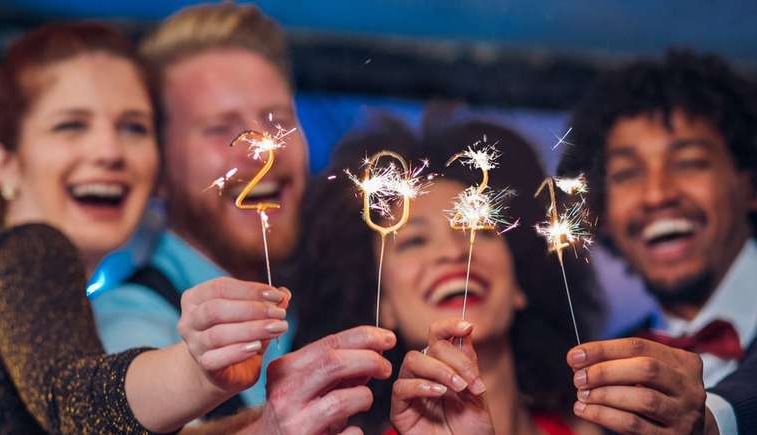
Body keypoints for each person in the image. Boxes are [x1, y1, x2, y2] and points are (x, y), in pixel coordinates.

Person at [0, 22, 292, 433]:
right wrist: (197, 369)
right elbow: (74, 400)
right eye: (70, 125)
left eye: (134, 127)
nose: (109, 152)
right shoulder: (30, 248)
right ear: (3, 162)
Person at [292, 112, 605, 434]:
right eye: (414, 241)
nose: (454, 252)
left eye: (477, 229)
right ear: (382, 305)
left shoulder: (594, 426)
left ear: (519, 284)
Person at [90, 2, 306, 411]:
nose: (262, 152)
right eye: (221, 128)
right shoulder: (130, 324)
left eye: (277, 119)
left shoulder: (333, 295)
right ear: (159, 166)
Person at [557, 50, 757, 434]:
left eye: (688, 162)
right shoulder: (599, 379)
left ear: (749, 183)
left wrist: (712, 419)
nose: (656, 194)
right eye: (627, 173)